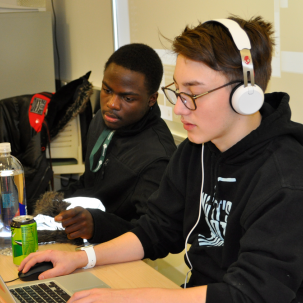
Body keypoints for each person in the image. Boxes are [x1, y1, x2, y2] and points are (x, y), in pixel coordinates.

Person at [19, 15, 303, 303]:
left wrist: (128, 298)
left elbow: (251, 295)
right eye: (178, 91)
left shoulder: (286, 179)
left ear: (246, 95)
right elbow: (156, 228)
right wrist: (83, 259)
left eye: (192, 93)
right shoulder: (199, 148)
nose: (179, 108)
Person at [54, 43, 176, 243]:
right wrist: (51, 205)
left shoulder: (157, 159)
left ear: (151, 99)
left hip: (119, 254)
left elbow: (154, 234)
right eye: (107, 90)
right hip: (79, 237)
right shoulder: (101, 120)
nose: (112, 104)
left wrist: (97, 226)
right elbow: (90, 181)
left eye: (127, 98)